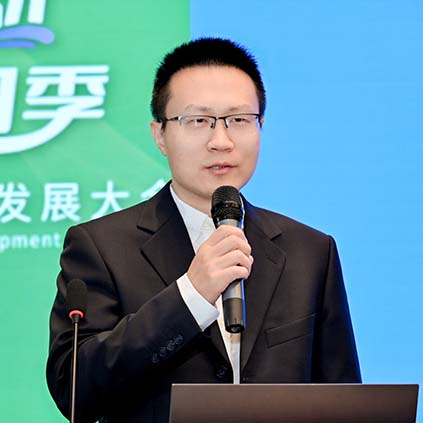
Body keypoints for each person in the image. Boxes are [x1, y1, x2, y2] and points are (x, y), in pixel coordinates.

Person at [47, 37, 361, 423]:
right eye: (198, 121)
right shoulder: (101, 247)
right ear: (160, 135)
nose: (220, 142)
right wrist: (191, 296)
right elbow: (74, 390)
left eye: (239, 120)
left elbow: (342, 398)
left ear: (261, 126)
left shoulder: (310, 251)